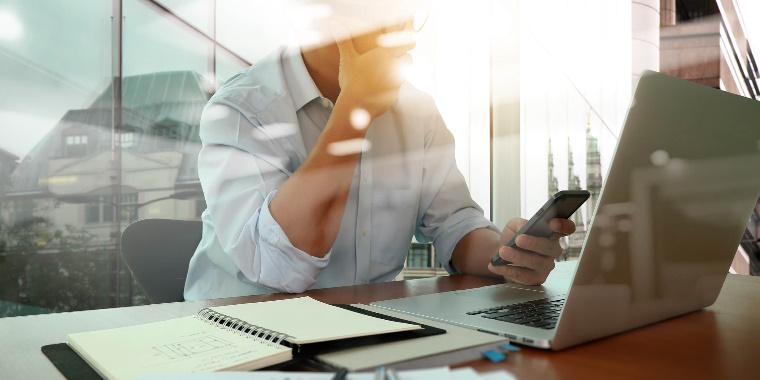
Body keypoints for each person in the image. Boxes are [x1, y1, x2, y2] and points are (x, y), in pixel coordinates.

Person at [184, 1, 575, 300]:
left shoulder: (417, 110)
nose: (408, 35)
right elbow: (279, 269)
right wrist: (354, 111)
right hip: (243, 338)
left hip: (368, 327)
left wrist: (507, 256)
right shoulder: (240, 109)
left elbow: (454, 224)